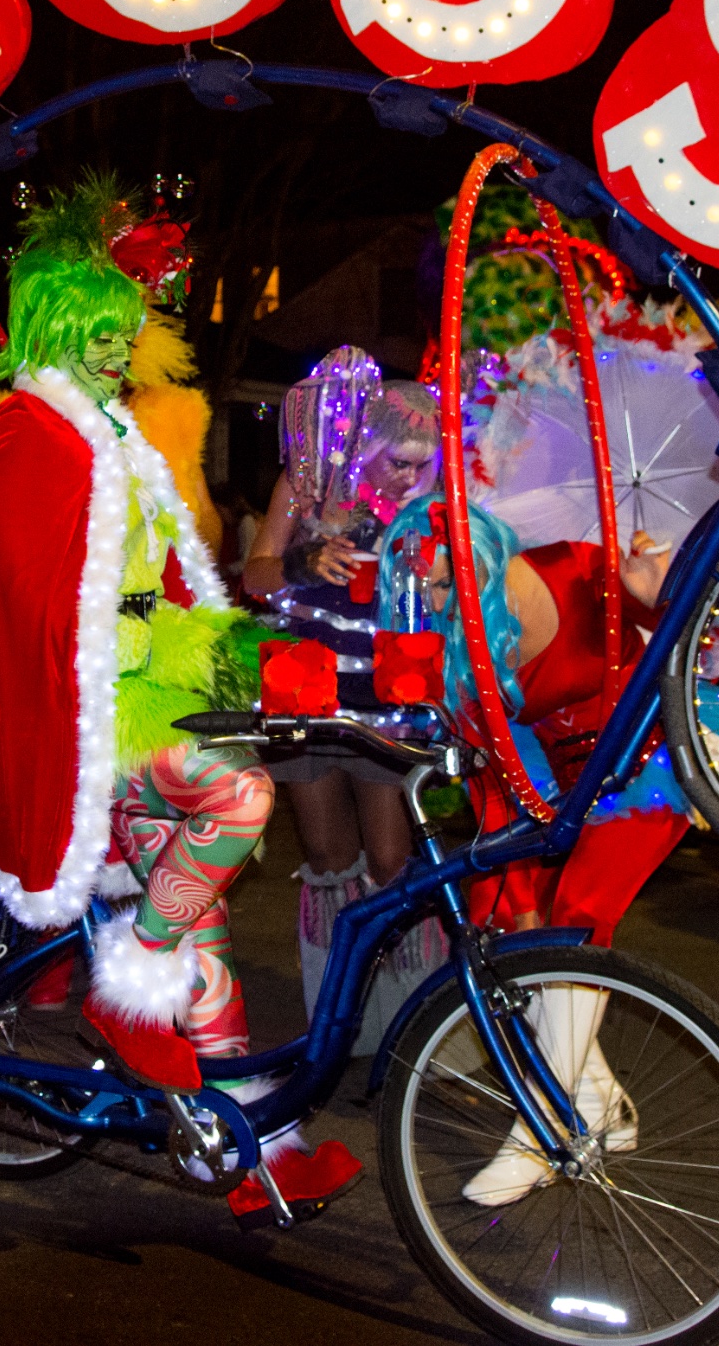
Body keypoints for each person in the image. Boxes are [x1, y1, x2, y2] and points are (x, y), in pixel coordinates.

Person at [0, 172, 359, 1221]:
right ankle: (128, 994)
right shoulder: (24, 438)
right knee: (238, 802)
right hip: (76, 723)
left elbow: (158, 589)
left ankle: (254, 1149)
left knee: (198, 904)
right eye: (100, 335)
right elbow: (39, 616)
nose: (119, 355)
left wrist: (246, 658)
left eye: (124, 336)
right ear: (53, 327)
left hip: (133, 692)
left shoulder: (110, 438)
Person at [374, 493, 719, 1204]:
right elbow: (497, 777)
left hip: (655, 758)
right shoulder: (456, 657)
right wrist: (514, 888)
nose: (434, 601)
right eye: (420, 588)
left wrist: (656, 596)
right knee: (522, 940)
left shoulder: (580, 571)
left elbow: (702, 638)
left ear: (481, 560)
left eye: (444, 580)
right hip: (564, 789)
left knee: (582, 913)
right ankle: (597, 1104)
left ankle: (542, 1123)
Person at [241, 349, 442, 1052]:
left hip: (390, 688)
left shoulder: (429, 507)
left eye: (423, 463)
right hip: (306, 684)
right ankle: (339, 1020)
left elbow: (455, 592)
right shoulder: (305, 483)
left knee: (391, 856)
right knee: (327, 854)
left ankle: (409, 1017)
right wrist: (300, 560)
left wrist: (430, 575)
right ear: (367, 445)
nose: (410, 476)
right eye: (398, 462)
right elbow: (255, 574)